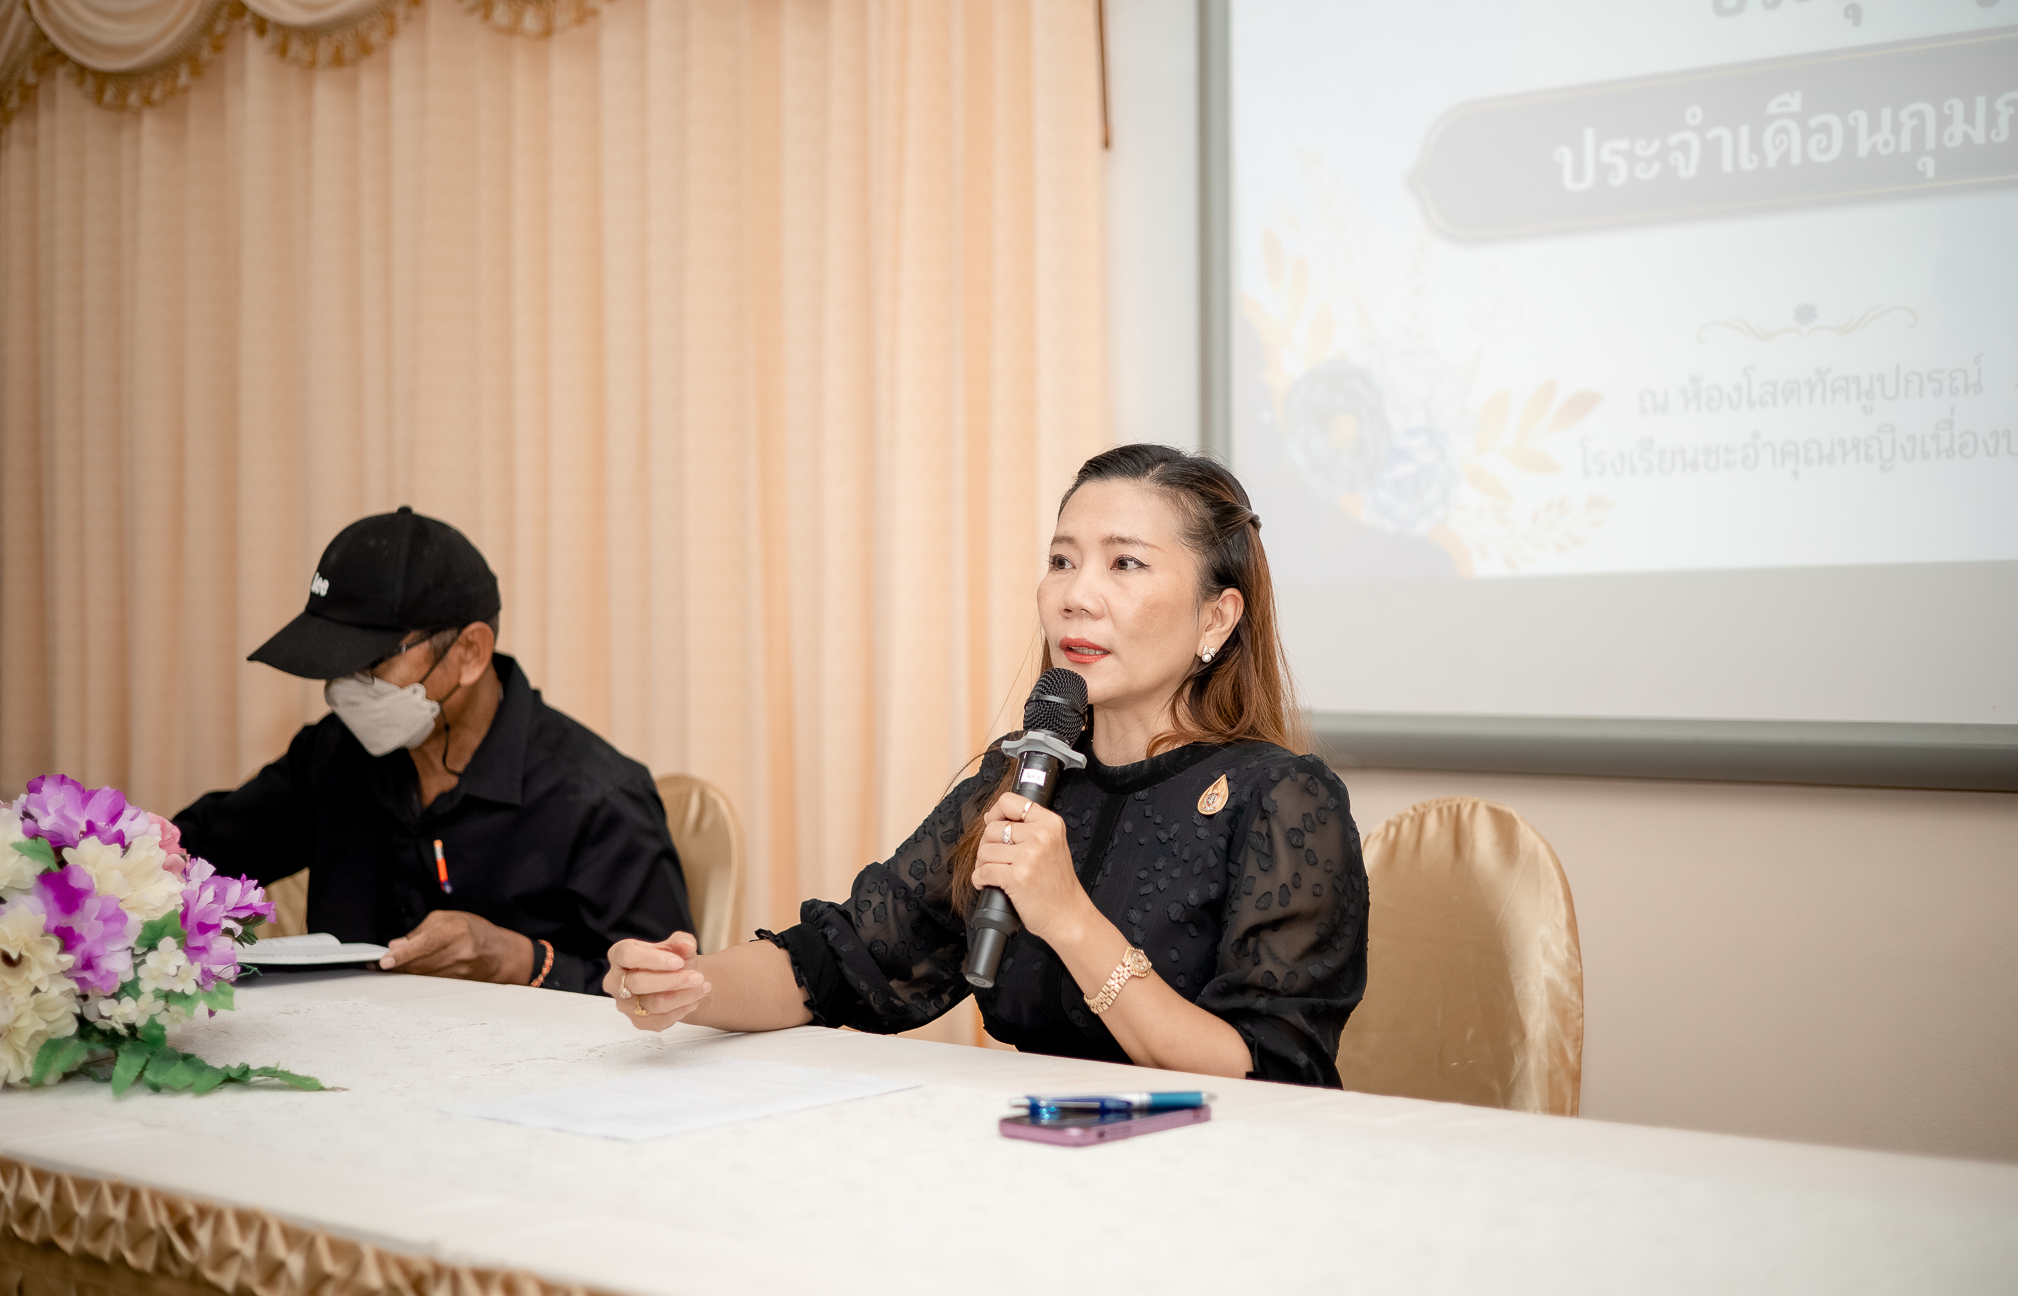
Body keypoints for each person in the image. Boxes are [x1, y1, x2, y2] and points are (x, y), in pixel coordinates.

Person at [606, 444, 1367, 1084]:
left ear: (1216, 617)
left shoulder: (1283, 799)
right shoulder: (1023, 775)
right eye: (1061, 560)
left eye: (1125, 563)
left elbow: (1269, 1071)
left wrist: (1069, 917)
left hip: (1205, 1167)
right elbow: (846, 958)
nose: (1076, 595)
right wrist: (687, 985)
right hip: (1036, 1146)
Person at [175, 507, 691, 995]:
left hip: (525, 1056)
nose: (345, 689)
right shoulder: (333, 756)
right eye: (334, 663)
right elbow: (196, 855)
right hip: (347, 1043)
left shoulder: (596, 799)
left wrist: (521, 962)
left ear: (469, 653)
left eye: (371, 662)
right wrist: (139, 861)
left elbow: (669, 995)